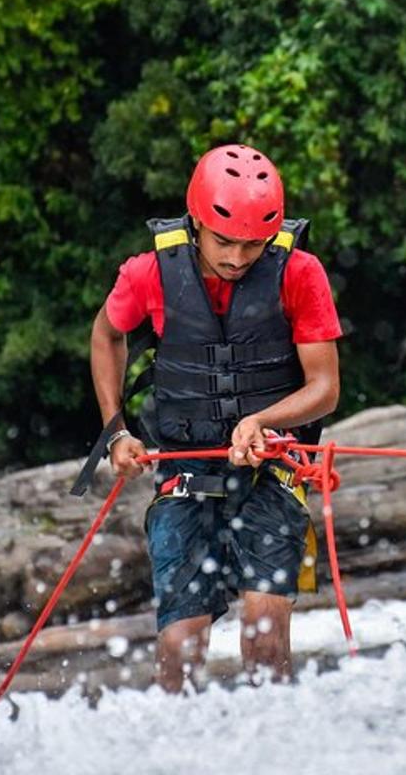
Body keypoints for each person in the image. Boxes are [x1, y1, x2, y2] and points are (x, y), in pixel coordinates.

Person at [88, 144, 341, 692]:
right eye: (224, 240)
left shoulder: (300, 272)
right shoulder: (148, 274)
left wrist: (263, 421)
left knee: (265, 631)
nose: (237, 256)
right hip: (185, 471)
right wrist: (116, 431)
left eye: (253, 244)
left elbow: (325, 388)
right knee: (181, 643)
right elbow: (108, 334)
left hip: (274, 466)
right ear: (196, 223)